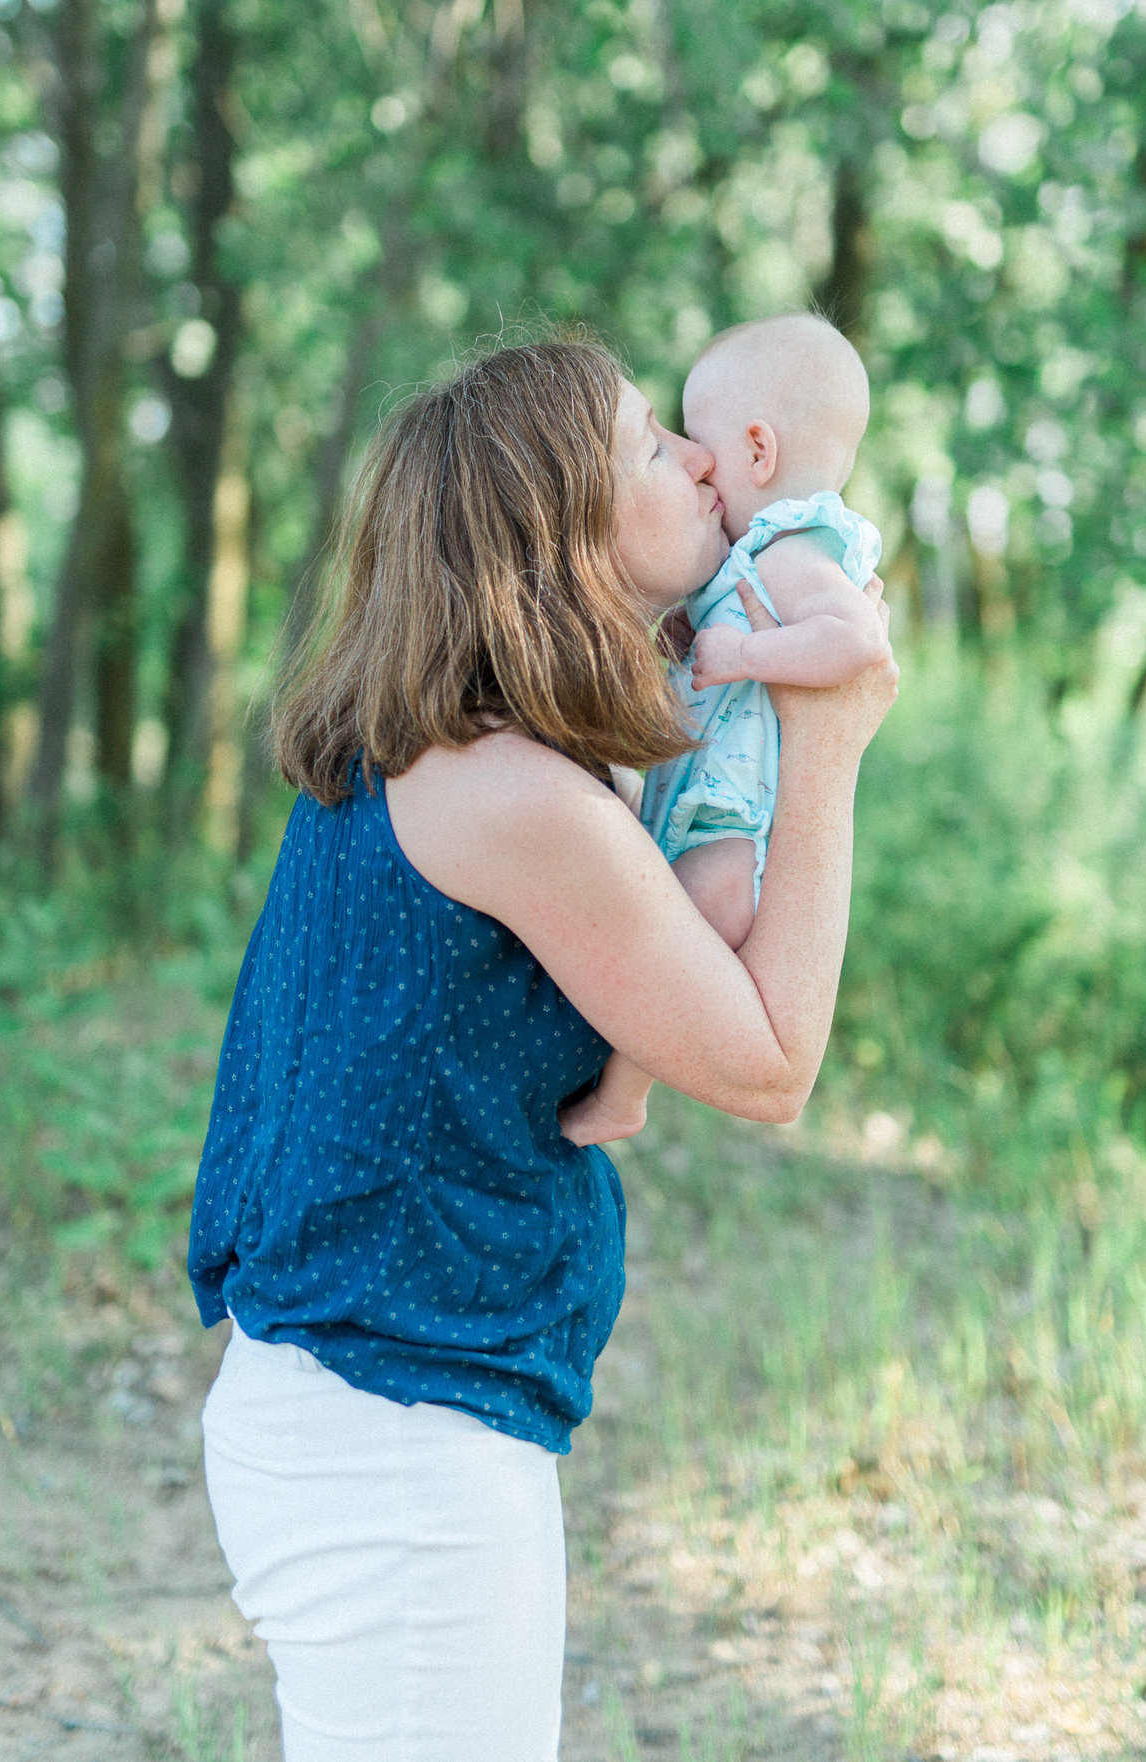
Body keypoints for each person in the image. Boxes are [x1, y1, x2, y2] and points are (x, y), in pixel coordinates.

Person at [187, 334, 898, 1762]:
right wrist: (831, 738)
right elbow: (769, 1063)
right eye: (652, 445)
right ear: (555, 530)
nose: (704, 458)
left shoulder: (469, 754)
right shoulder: (508, 793)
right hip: (394, 1437)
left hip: (377, 1409)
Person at [562, 313, 888, 1148]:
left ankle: (625, 1090)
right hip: (708, 798)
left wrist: (745, 650)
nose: (694, 462)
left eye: (699, 442)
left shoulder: (798, 546)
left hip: (739, 823)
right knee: (659, 905)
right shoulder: (756, 556)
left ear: (758, 452)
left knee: (684, 919)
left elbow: (853, 642)